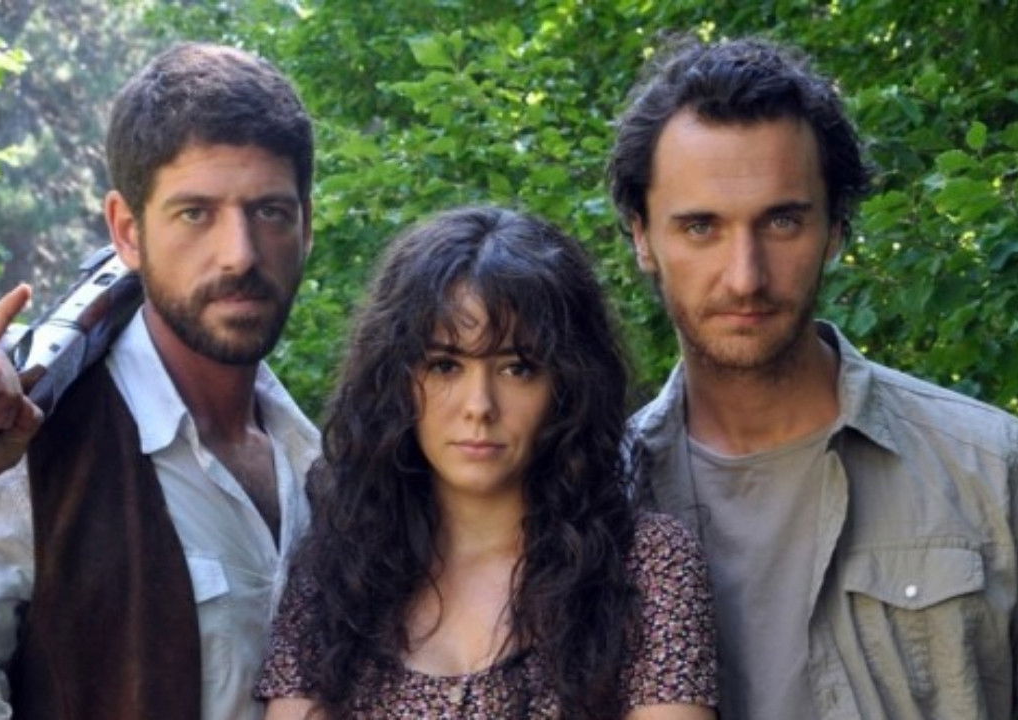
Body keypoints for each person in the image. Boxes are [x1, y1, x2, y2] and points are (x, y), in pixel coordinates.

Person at [608, 35, 1018, 720]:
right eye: (700, 227)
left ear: (835, 228)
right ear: (642, 236)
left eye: (782, 221)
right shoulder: (593, 503)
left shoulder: (996, 471)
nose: (745, 275)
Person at [0, 43, 320, 719]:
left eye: (269, 212)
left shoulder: (319, 460)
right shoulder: (28, 443)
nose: (239, 254)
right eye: (195, 213)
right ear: (126, 230)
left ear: (306, 225)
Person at [255, 206, 718, 719]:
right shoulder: (336, 570)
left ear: (569, 384)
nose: (479, 406)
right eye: (445, 365)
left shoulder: (647, 564)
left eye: (518, 368)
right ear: (396, 380)